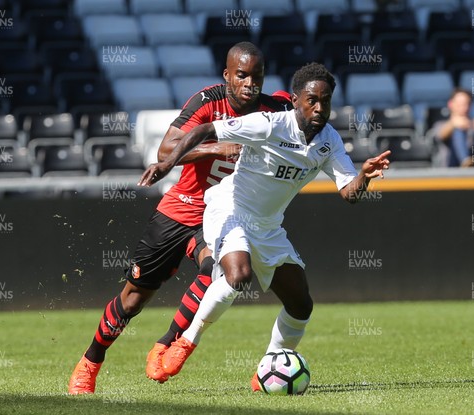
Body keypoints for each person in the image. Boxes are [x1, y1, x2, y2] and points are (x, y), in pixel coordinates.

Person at [140, 62, 391, 391]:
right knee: (238, 275)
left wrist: (364, 176)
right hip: (230, 206)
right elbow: (205, 131)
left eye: (325, 101)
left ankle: (272, 365)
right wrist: (166, 163)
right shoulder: (269, 124)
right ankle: (185, 344)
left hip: (268, 226)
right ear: (296, 100)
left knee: (301, 304)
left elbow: (349, 194)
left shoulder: (328, 141)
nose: (318, 107)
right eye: (311, 100)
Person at [68, 42, 290, 394]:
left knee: (214, 269)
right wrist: (216, 147)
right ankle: (90, 362)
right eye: (242, 75)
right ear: (227, 76)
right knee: (132, 300)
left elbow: (300, 115)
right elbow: (167, 150)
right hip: (179, 210)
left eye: (257, 77)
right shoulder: (207, 101)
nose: (250, 84)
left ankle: (168, 343)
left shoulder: (274, 110)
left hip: (221, 215)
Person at [434, 88, 474, 167]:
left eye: (466, 104)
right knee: (458, 131)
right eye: (459, 104)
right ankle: (465, 161)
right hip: (449, 169)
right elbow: (441, 135)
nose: (463, 107)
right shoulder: (441, 124)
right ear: (451, 104)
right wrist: (453, 124)